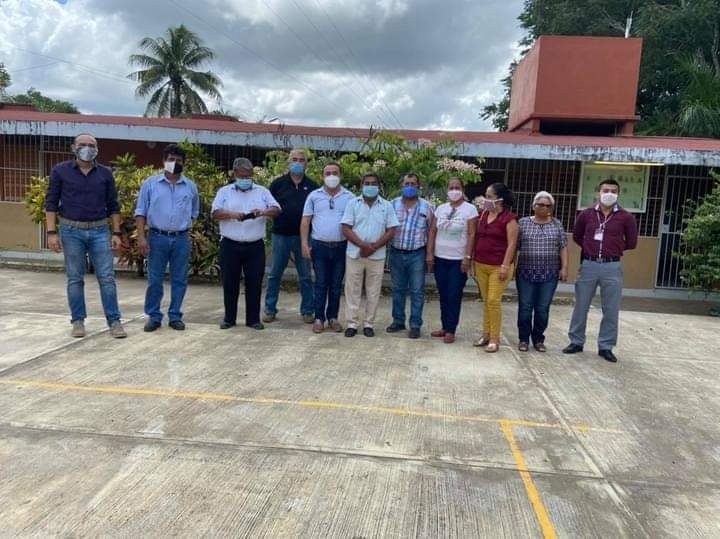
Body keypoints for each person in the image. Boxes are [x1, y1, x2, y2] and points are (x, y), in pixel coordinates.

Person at [44, 133, 127, 339]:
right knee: (75, 279)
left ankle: (114, 321)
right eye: (83, 145)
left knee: (107, 278)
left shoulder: (105, 174)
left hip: (100, 230)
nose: (87, 148)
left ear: (97, 149)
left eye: (91, 145)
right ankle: (78, 321)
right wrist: (52, 233)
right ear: (74, 147)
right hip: (71, 231)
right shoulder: (60, 171)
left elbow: (113, 205)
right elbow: (51, 203)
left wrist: (116, 232)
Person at [563, 179, 638, 363]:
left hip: (612, 266)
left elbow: (632, 242)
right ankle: (576, 341)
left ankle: (606, 346)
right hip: (588, 264)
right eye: (606, 190)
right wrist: (591, 248)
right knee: (581, 305)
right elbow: (577, 236)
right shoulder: (586, 214)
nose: (609, 193)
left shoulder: (626, 217)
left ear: (618, 194)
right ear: (598, 192)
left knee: (611, 309)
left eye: (613, 190)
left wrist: (613, 249)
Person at [135, 144, 200, 332]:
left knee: (179, 279)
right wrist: (141, 238)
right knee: (155, 279)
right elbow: (140, 212)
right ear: (164, 161)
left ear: (184, 164)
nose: (174, 163)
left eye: (179, 160)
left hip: (181, 239)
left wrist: (184, 226)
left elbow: (195, 211)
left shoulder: (190, 187)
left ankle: (175, 315)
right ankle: (154, 316)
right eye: (171, 159)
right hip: (157, 237)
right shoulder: (150, 184)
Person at [211, 157, 281, 330]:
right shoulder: (225, 192)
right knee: (230, 282)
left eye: (249, 176)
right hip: (230, 244)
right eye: (242, 176)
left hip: (254, 245)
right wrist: (232, 215)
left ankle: (253, 319)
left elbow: (277, 209)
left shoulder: (262, 191)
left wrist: (263, 212)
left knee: (255, 282)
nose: (246, 179)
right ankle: (229, 318)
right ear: (235, 174)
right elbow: (215, 212)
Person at [263, 149, 318, 324]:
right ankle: (270, 309)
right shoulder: (278, 184)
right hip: (281, 235)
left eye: (301, 160)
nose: (298, 163)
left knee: (305, 275)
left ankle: (308, 310)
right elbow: (268, 206)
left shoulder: (313, 186)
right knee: (274, 274)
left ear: (306, 164)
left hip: (304, 237)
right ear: (288, 162)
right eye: (294, 159)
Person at [341, 173, 399, 337]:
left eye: (374, 183)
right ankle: (352, 324)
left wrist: (373, 247)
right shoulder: (352, 204)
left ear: (379, 186)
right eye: (367, 183)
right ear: (361, 186)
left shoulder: (386, 206)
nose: (370, 186)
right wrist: (362, 245)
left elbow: (391, 230)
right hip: (355, 253)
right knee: (352, 289)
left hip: (377, 255)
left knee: (373, 291)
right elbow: (346, 228)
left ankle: (368, 324)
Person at [300, 162, 354, 334]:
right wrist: (304, 243)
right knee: (321, 283)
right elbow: (305, 221)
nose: (331, 176)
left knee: (336, 284)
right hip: (319, 246)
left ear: (341, 175)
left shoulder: (350, 197)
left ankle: (333, 317)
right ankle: (319, 318)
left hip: (341, 247)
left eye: (335, 173)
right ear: (322, 176)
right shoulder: (314, 196)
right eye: (328, 173)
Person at [515, 191, 568, 352]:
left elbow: (563, 247)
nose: (544, 208)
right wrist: (510, 266)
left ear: (551, 208)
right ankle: (523, 339)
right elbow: (514, 246)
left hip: (549, 274)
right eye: (540, 204)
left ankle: (538, 339)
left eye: (547, 205)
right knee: (525, 307)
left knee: (542, 309)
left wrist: (564, 268)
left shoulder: (557, 224)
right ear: (533, 206)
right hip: (525, 273)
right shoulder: (522, 223)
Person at [428, 177, 478, 344]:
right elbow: (433, 231)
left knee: (454, 294)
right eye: (451, 187)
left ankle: (451, 329)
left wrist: (467, 257)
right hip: (440, 258)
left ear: (463, 189)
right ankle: (444, 326)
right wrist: (429, 254)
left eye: (457, 187)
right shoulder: (440, 209)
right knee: (443, 293)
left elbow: (472, 234)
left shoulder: (470, 210)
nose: (454, 190)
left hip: (458, 260)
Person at [472, 182, 519, 353]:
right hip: (481, 264)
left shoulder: (509, 219)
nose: (485, 199)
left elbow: (512, 244)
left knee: (493, 300)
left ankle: (494, 338)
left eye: (489, 197)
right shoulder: (484, 214)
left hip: (499, 266)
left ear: (499, 199)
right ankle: (485, 334)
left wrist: (505, 266)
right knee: (486, 301)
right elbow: (477, 237)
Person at [387, 173, 434, 339]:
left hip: (417, 254)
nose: (409, 187)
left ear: (418, 186)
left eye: (413, 184)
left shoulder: (427, 207)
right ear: (401, 185)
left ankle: (415, 324)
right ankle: (398, 321)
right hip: (397, 253)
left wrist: (429, 255)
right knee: (398, 289)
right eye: (407, 183)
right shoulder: (392, 205)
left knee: (417, 291)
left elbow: (431, 232)